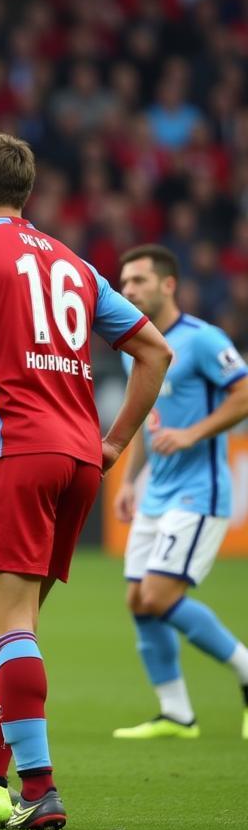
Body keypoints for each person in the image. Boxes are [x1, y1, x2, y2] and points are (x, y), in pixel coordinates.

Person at [0, 132, 171, 830]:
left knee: (9, 624)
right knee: (4, 626)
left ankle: (39, 788)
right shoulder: (75, 264)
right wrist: (114, 440)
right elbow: (153, 349)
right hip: (80, 456)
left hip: (15, 449)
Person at [112, 245, 248, 740]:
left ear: (168, 285)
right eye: (124, 283)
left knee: (159, 594)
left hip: (199, 492)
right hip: (156, 495)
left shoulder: (204, 340)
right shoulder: (140, 348)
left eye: (139, 281)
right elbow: (151, 425)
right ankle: (177, 714)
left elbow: (244, 394)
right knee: (136, 600)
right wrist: (129, 482)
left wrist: (194, 434)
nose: (128, 290)